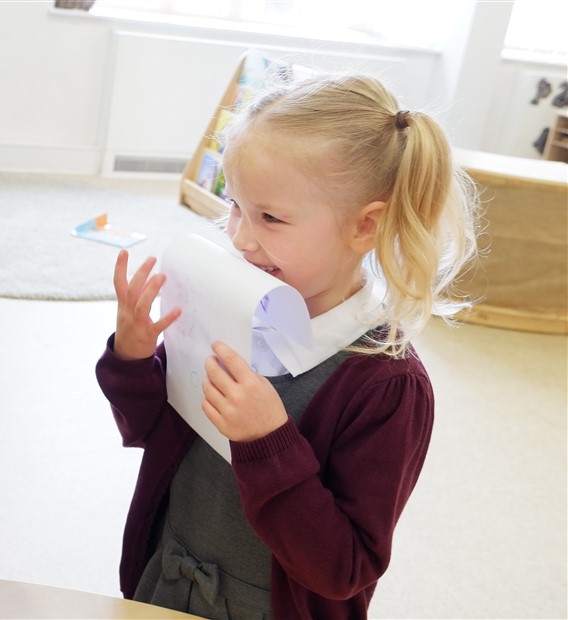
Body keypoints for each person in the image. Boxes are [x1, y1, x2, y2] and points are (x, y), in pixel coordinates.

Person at [96, 74, 479, 618]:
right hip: (168, 581)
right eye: (236, 207)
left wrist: (267, 440)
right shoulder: (232, 303)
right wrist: (134, 360)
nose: (241, 238)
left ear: (365, 226)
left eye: (271, 218)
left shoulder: (387, 385)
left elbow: (344, 567)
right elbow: (148, 432)